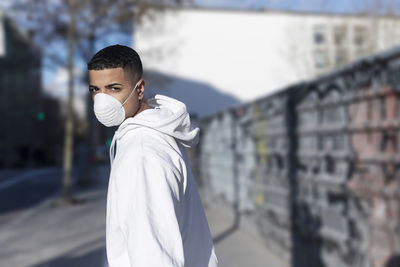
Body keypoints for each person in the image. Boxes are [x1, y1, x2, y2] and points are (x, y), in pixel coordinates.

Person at [87, 44, 218, 267]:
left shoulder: (142, 153)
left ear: (139, 89)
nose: (102, 100)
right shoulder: (154, 134)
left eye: (114, 88)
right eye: (95, 90)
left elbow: (153, 253)